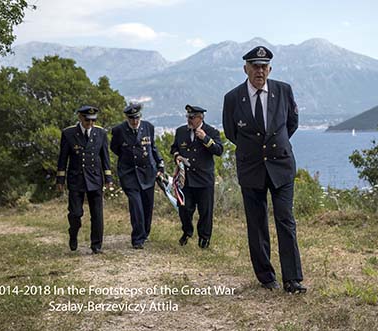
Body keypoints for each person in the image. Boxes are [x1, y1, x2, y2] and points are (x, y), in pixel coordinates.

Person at [222, 46, 306, 293]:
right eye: (254, 66)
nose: (259, 71)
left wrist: (273, 146)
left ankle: (293, 279)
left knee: (285, 221)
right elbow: (231, 132)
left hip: (281, 166)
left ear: (270, 68)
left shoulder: (283, 91)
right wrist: (256, 150)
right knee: (257, 224)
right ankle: (266, 277)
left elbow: (291, 123)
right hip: (251, 168)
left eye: (263, 66)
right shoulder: (233, 98)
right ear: (245, 68)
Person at [56, 105, 113, 254]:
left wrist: (108, 177)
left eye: (93, 120)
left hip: (95, 178)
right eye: (87, 120)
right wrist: (60, 179)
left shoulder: (100, 133)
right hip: (76, 178)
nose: (90, 123)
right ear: (80, 118)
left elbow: (105, 157)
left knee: (97, 214)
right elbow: (63, 158)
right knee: (75, 213)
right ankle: (73, 233)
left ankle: (96, 245)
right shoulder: (68, 133)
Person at [110, 103, 165, 249]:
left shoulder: (149, 127)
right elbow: (115, 148)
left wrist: (160, 163)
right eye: (131, 118)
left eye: (136, 118)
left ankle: (145, 233)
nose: (134, 121)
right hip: (129, 174)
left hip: (148, 172)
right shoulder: (118, 130)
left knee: (147, 206)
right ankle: (137, 239)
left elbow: (152, 147)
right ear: (127, 118)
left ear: (140, 116)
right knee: (136, 206)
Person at [170, 105, 223, 248]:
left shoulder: (211, 131)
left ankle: (204, 238)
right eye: (188, 117)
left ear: (201, 118)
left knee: (205, 212)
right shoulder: (181, 131)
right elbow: (174, 148)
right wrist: (177, 156)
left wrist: (206, 139)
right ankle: (187, 231)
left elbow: (219, 150)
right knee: (184, 208)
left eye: (192, 117)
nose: (189, 120)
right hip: (186, 180)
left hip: (204, 180)